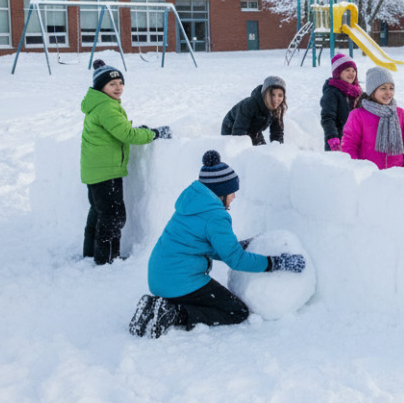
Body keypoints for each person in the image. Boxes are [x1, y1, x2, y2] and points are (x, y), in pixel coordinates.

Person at [129, 150, 306, 339]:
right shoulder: (215, 216)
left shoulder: (192, 204)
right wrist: (276, 263)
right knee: (236, 312)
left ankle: (157, 305)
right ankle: (174, 313)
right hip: (180, 282)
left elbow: (201, 244)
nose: (234, 197)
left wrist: (236, 245)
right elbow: (236, 261)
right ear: (221, 193)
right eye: (232, 192)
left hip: (159, 277)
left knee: (210, 300)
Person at [80, 60, 170, 265]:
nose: (118, 87)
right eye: (112, 84)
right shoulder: (107, 108)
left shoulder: (97, 105)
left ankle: (91, 254)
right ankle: (108, 259)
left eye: (120, 82)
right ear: (100, 87)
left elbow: (117, 130)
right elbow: (126, 134)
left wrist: (140, 130)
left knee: (98, 213)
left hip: (94, 170)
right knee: (113, 216)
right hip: (106, 171)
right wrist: (154, 133)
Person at [341, 66, 404, 170]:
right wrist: (354, 168)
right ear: (372, 91)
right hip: (370, 174)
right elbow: (349, 143)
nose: (388, 92)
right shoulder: (358, 115)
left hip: (397, 173)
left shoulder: (400, 114)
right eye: (383, 88)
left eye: (391, 88)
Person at [220, 75, 286, 145]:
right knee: (247, 151)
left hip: (254, 130)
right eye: (272, 94)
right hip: (232, 128)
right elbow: (239, 132)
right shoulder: (249, 105)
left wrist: (277, 149)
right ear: (265, 93)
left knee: (262, 151)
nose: (276, 99)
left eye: (280, 95)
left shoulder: (278, 109)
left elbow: (277, 132)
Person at [320, 53, 360, 151]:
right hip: (338, 141)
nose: (351, 73)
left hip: (354, 140)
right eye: (347, 70)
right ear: (338, 72)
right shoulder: (332, 92)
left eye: (353, 70)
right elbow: (328, 117)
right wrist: (332, 137)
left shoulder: (356, 92)